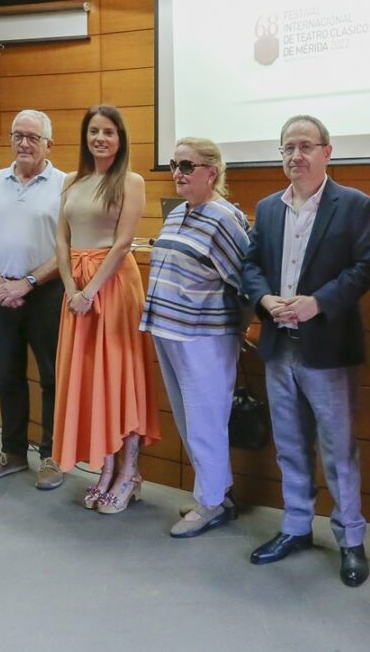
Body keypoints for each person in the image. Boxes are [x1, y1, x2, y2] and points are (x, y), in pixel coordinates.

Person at [241, 115, 370, 587]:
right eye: (287, 148)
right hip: (280, 348)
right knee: (291, 446)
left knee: (339, 450)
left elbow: (366, 267)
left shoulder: (355, 205)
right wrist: (264, 299)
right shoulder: (268, 207)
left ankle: (350, 540)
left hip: (328, 349)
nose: (295, 156)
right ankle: (296, 527)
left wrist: (316, 303)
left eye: (305, 146)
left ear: (327, 151)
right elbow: (251, 265)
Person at [140, 136, 251, 537]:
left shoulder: (225, 218)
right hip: (168, 332)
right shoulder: (177, 213)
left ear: (212, 173)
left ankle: (211, 503)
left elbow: (246, 282)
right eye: (174, 165)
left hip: (204, 336)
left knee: (206, 421)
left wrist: (237, 332)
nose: (177, 173)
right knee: (189, 421)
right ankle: (214, 492)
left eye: (187, 166)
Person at [53, 105, 160, 513]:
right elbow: (61, 239)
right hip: (75, 291)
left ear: (120, 139)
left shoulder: (130, 181)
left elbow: (122, 243)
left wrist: (92, 291)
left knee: (119, 376)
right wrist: (70, 288)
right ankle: (106, 466)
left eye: (109, 132)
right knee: (90, 379)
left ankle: (129, 471)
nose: (100, 138)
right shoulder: (69, 179)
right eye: (94, 131)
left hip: (113, 287)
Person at [0, 109, 68, 490]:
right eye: (18, 136)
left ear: (48, 144)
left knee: (51, 377)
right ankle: (12, 453)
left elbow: (68, 248)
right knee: (7, 374)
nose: (24, 143)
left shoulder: (65, 184)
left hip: (46, 293)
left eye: (33, 137)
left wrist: (26, 282)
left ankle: (52, 456)